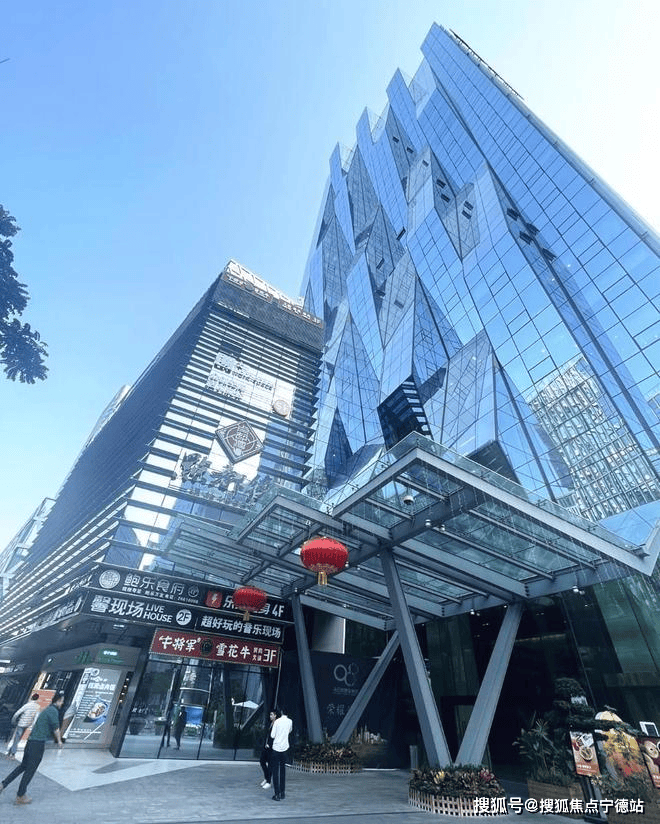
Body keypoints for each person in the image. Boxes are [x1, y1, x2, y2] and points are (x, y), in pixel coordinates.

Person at [1, 692, 64, 805]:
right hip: (38, 744)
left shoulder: (46, 709)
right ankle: (20, 795)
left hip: (31, 741)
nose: (62, 703)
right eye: (62, 701)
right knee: (30, 769)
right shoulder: (53, 711)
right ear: (58, 701)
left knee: (23, 766)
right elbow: (56, 728)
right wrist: (59, 741)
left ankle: (3, 784)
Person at [5, 693, 41, 759]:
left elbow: (17, 713)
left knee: (17, 738)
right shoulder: (37, 707)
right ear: (37, 699)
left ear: (31, 697)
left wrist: (13, 721)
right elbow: (36, 717)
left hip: (21, 724)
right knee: (18, 739)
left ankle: (11, 753)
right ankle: (12, 753)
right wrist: (33, 725)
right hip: (27, 724)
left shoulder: (27, 705)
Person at [269, 706, 292, 802]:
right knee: (283, 771)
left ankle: (277, 794)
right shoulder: (290, 721)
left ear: (281, 712)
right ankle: (282, 793)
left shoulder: (277, 722)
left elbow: (272, 735)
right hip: (285, 748)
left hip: (276, 748)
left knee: (275, 771)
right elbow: (290, 731)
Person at [259, 710, 277, 789]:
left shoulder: (277, 724)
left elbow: (275, 736)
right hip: (266, 746)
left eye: (272, 714)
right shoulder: (270, 723)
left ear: (275, 716)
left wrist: (270, 744)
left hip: (272, 747)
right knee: (262, 761)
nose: (270, 716)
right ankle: (267, 778)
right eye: (270, 714)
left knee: (270, 764)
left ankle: (268, 782)